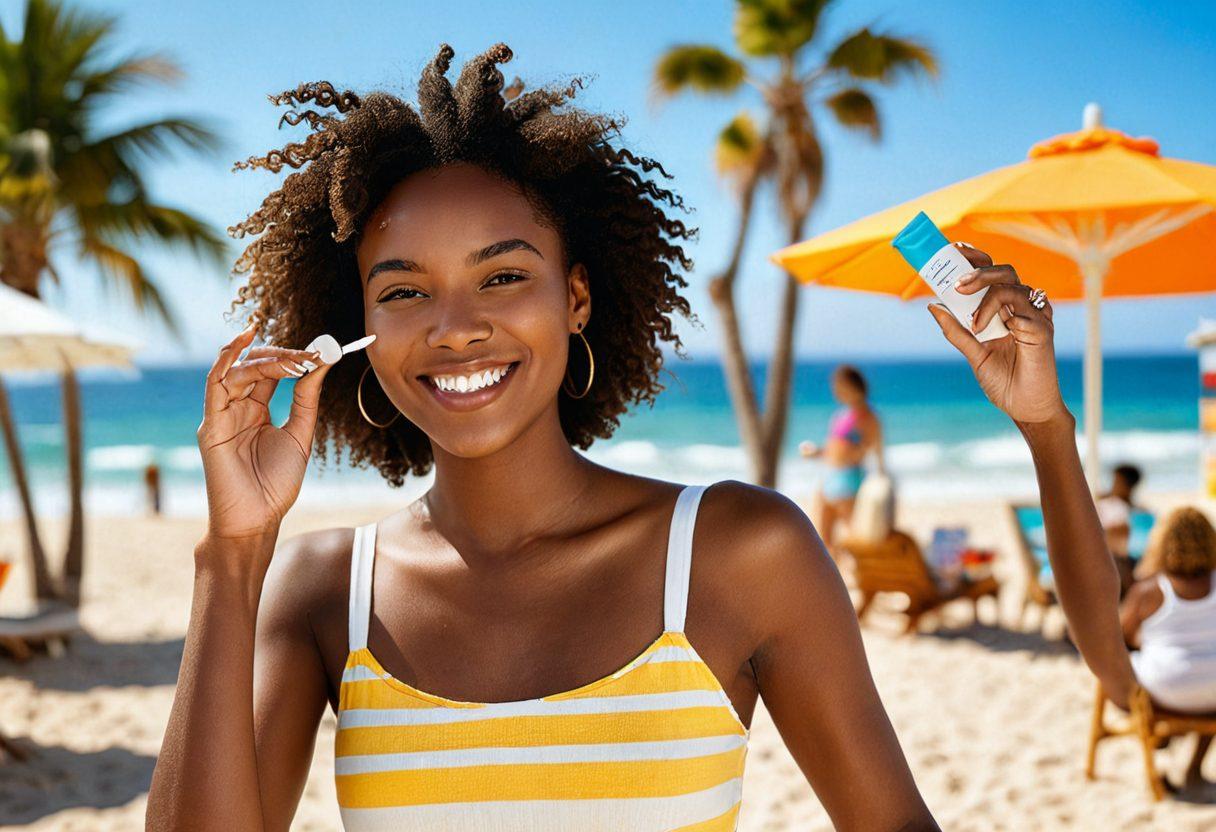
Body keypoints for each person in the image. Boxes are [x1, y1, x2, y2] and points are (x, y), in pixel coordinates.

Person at [143, 45, 1145, 831]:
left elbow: (920, 806)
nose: (454, 326)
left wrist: (1046, 431)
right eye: (404, 290)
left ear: (575, 296)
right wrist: (231, 556)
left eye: (502, 275)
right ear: (354, 325)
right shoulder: (322, 590)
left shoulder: (737, 553)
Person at [1120, 506, 1216, 789]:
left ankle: (1160, 748)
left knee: (1134, 669)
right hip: (1213, 686)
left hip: (1168, 687)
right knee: (1207, 677)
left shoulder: (1149, 590)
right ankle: (1195, 769)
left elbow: (1123, 636)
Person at [799, 365, 885, 555]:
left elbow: (876, 449)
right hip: (830, 477)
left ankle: (848, 578)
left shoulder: (868, 416)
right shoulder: (841, 415)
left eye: (839, 385)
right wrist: (815, 453)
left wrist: (881, 477)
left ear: (852, 386)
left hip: (850, 480)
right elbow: (833, 449)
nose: (835, 390)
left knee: (853, 538)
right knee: (823, 541)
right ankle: (835, 580)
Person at [1096, 463, 1143, 595]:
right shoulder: (1121, 507)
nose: (1113, 485)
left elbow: (1117, 545)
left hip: (1114, 561)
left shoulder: (1117, 508)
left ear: (1127, 486)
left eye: (1116, 481)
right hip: (1120, 561)